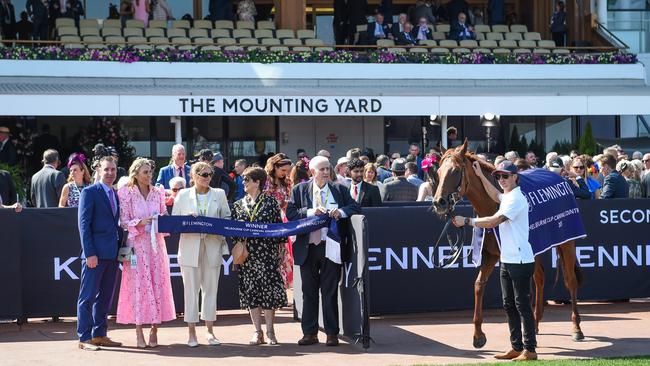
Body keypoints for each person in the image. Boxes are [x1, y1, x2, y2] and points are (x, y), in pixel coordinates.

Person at [452, 160, 537, 361]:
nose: (501, 180)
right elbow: (495, 195)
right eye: (498, 176)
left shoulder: (516, 199)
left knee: (522, 305)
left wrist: (468, 221)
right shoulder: (507, 196)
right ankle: (516, 347)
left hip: (521, 260)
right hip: (508, 260)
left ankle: (530, 350)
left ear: (515, 177)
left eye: (505, 176)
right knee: (509, 304)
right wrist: (481, 176)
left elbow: (493, 221)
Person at [286, 155, 361, 346]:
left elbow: (354, 206)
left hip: (332, 248)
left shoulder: (340, 190)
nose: (326, 172)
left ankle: (332, 333)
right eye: (322, 169)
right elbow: (291, 213)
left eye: (328, 169)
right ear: (312, 172)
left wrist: (341, 212)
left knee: (329, 292)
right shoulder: (299, 190)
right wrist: (311, 213)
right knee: (308, 293)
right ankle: (309, 333)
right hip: (307, 248)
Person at [117, 158, 175, 348]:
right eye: (145, 172)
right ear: (135, 174)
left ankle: (154, 329)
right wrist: (140, 222)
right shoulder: (125, 192)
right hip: (135, 247)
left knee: (157, 283)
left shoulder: (158, 192)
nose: (149, 175)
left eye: (150, 172)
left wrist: (175, 218)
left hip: (156, 246)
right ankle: (138, 332)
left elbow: (164, 215)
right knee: (137, 287)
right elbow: (123, 221)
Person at [172, 162, 231, 347]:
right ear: (193, 176)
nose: (207, 177)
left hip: (212, 245)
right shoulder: (182, 195)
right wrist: (187, 220)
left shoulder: (219, 194)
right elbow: (174, 222)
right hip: (190, 248)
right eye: (203, 174)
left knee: (210, 290)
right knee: (190, 291)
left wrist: (216, 227)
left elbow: (227, 218)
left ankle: (210, 331)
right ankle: (191, 333)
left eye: (209, 174)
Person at [232, 167, 288, 345]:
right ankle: (257, 332)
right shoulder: (238, 205)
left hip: (267, 253)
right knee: (251, 293)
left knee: (268, 292)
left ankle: (270, 332)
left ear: (257, 182)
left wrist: (282, 249)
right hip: (248, 255)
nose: (244, 183)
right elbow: (233, 230)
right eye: (243, 180)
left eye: (247, 180)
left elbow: (279, 228)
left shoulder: (270, 202)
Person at [76, 156, 123, 351]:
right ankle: (84, 337)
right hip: (95, 255)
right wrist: (90, 253)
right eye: (106, 169)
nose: (110, 173)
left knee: (105, 298)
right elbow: (83, 225)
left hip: (112, 255)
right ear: (98, 170)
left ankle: (100, 334)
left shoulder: (116, 193)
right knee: (87, 297)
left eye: (113, 169)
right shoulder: (89, 192)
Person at [263, 153, 294, 287]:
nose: (285, 174)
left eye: (288, 171)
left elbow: (289, 201)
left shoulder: (287, 182)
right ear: (274, 167)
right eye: (283, 170)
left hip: (282, 223)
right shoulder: (265, 181)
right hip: (268, 223)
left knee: (284, 255)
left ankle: (282, 287)